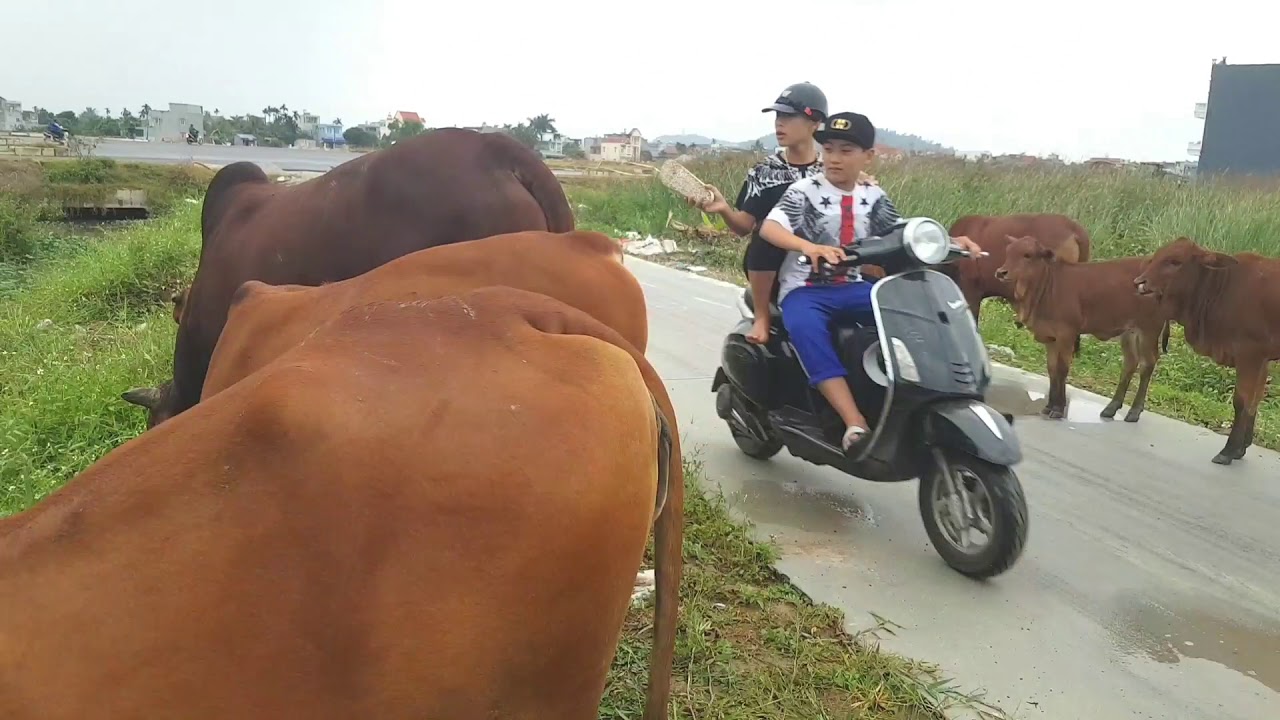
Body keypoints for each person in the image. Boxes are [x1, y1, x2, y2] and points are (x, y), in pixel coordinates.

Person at [759, 111, 981, 452]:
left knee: (909, 316)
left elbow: (899, 232)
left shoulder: (873, 196)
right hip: (806, 289)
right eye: (829, 148)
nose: (834, 158)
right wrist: (809, 246)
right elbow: (770, 228)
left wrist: (952, 244)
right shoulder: (804, 191)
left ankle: (905, 402)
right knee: (806, 330)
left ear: (868, 156)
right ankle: (854, 422)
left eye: (846, 150)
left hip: (854, 287)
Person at [694, 82, 828, 344]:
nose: (779, 124)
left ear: (815, 122)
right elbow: (744, 226)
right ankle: (762, 316)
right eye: (778, 116)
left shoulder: (832, 171)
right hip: (774, 265)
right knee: (766, 233)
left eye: (789, 117)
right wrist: (723, 208)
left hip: (823, 262)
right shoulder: (764, 172)